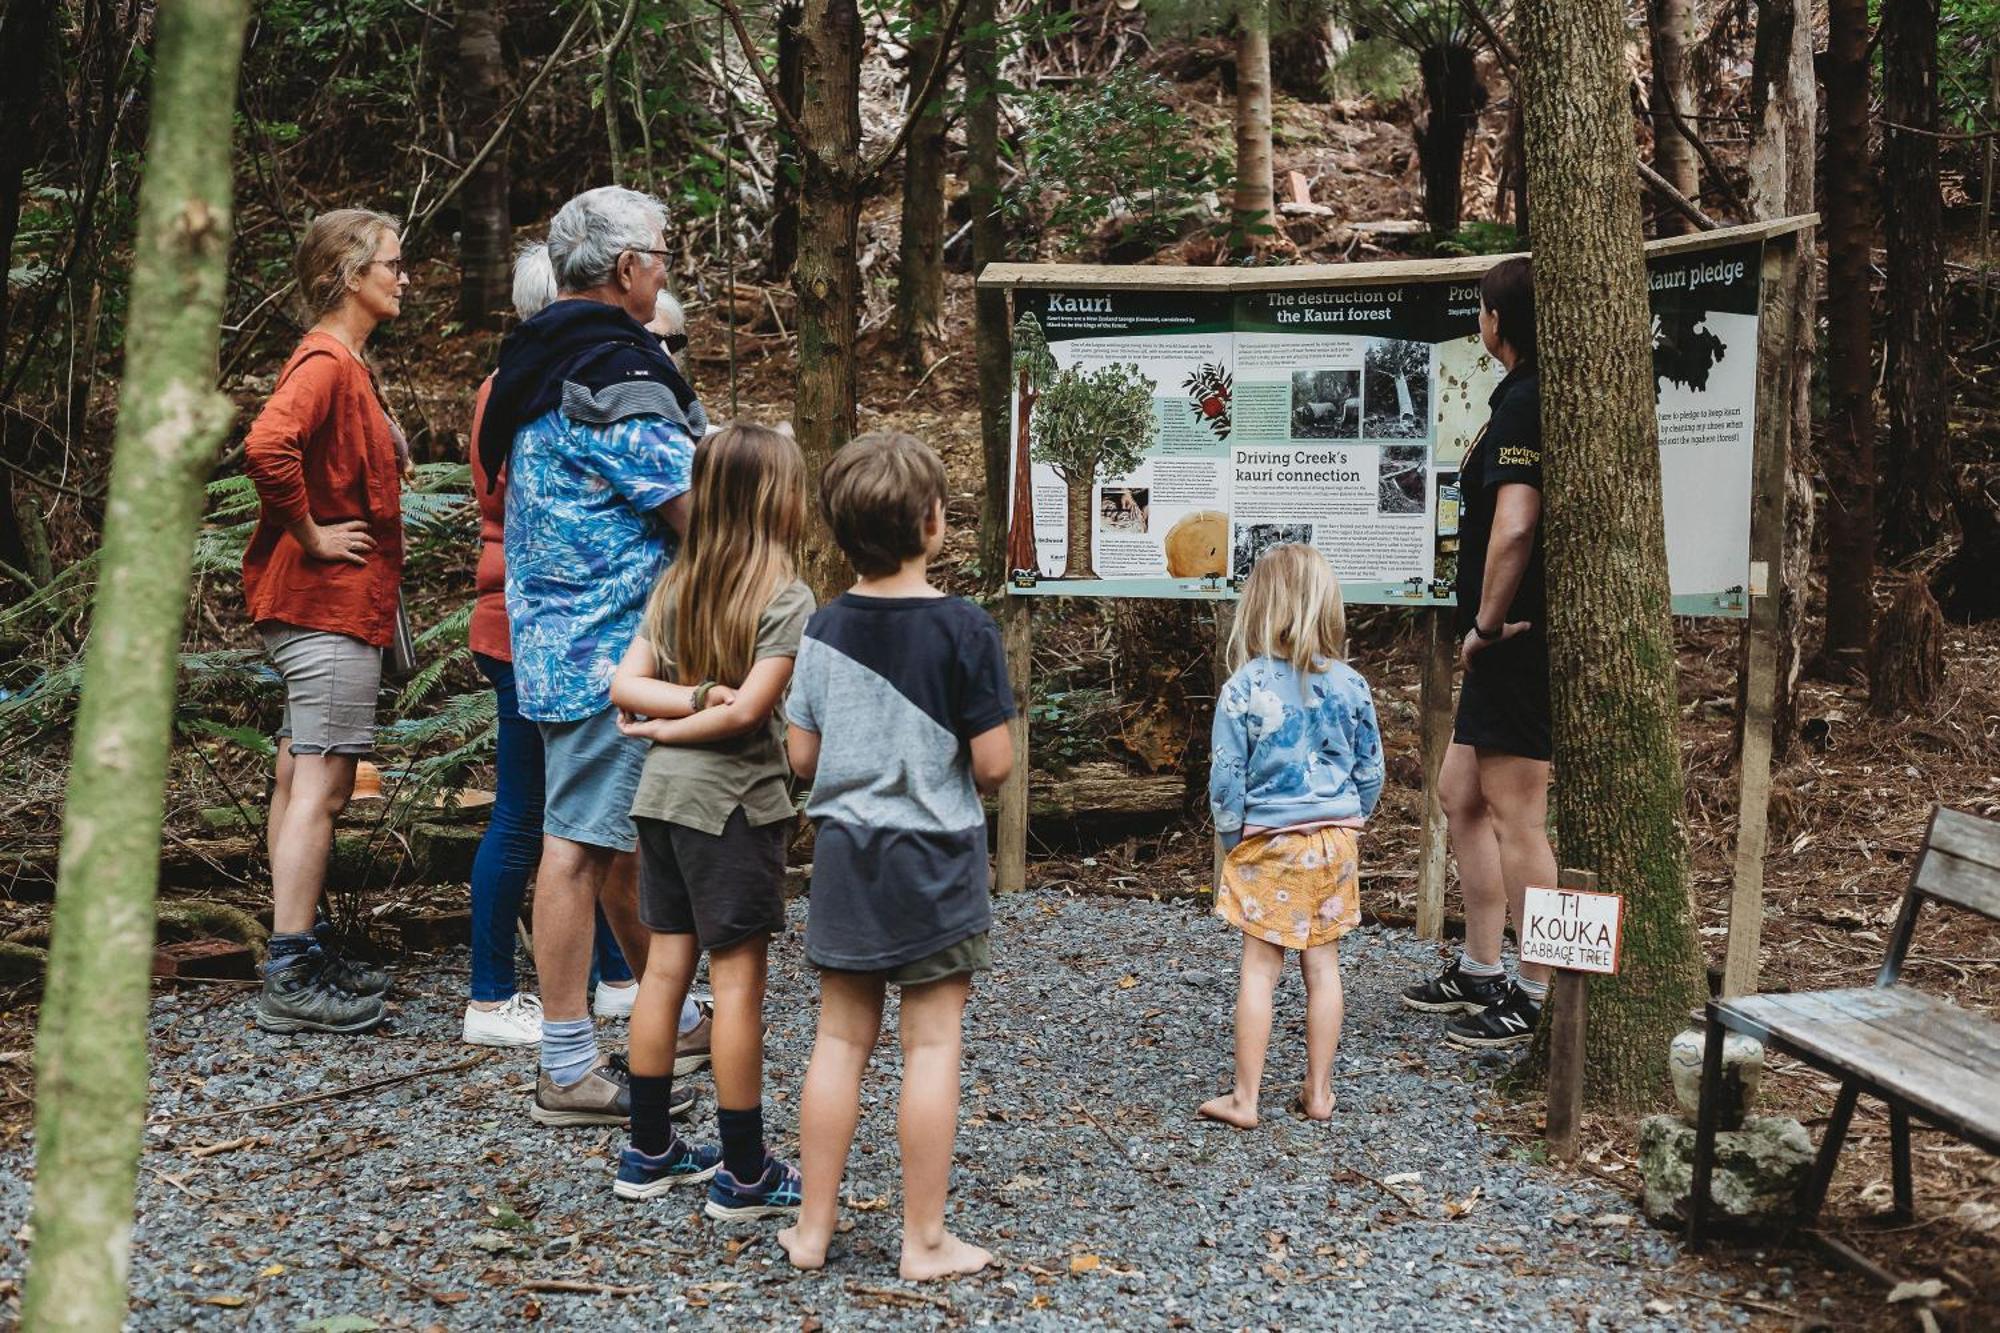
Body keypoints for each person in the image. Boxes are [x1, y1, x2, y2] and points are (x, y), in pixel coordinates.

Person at [477, 186, 705, 1124]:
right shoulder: (614, 371)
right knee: (576, 846)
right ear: (624, 269)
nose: (666, 267)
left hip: (555, 639)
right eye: (662, 252)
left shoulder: (538, 356)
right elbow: (701, 513)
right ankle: (569, 1064)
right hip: (613, 649)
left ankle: (674, 1012)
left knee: (611, 842)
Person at [776, 432, 1014, 1281]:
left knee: (837, 1042)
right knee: (932, 1046)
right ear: (931, 523)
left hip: (845, 855)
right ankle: (923, 1240)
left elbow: (801, 758)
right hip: (937, 858)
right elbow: (993, 764)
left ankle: (810, 1231)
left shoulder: (823, 626)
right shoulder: (964, 628)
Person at [606, 423, 814, 1217]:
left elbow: (630, 685)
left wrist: (663, 722)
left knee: (664, 971)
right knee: (736, 988)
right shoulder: (786, 597)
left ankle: (649, 1149)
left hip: (660, 800)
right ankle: (745, 1169)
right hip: (730, 811)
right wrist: (697, 704)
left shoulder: (677, 583)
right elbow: (748, 711)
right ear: (779, 501)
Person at [241, 208, 410, 1035]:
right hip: (324, 607)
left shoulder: (345, 363)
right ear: (349, 274)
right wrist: (310, 532)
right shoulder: (325, 362)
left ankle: (296, 947)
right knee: (327, 783)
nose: (402, 276)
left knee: (294, 776)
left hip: (321, 607)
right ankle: (292, 970)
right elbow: (266, 446)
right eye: (391, 263)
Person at [1401, 255, 1557, 1049]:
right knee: (1461, 792)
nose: (1478, 319)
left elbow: (1517, 525)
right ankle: (1483, 966)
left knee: (1517, 812)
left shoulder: (1527, 403)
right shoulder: (1512, 399)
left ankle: (1539, 989)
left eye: (1483, 309)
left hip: (1515, 643)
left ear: (1503, 321)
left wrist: (1488, 626)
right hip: (1494, 646)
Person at [1199, 544, 1383, 1128]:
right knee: (1323, 968)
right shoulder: (1352, 686)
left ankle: (1245, 1098)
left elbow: (1226, 778)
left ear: (1260, 606)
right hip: (1335, 840)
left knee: (1259, 969)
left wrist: (1233, 843)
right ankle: (1320, 1093)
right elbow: (1370, 770)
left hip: (1269, 843)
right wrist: (1350, 818)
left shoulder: (1244, 688)